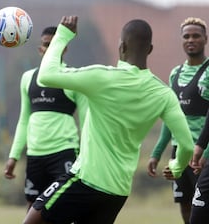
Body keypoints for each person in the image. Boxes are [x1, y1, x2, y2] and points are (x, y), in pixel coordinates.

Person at [22, 16, 194, 224]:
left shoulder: (102, 77)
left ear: (121, 47)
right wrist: (176, 167)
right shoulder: (164, 94)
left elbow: (46, 76)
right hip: (117, 192)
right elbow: (186, 145)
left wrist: (63, 35)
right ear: (150, 49)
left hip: (84, 181)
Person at [4, 26, 87, 210]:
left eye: (55, 45)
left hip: (64, 151)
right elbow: (24, 120)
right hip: (35, 155)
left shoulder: (73, 77)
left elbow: (86, 122)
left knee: (64, 205)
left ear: (64, 48)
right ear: (40, 49)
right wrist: (14, 156)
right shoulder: (27, 78)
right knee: (33, 206)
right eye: (46, 45)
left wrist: (85, 156)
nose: (50, 49)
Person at [147, 17, 209, 224]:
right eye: (186, 36)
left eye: (196, 36)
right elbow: (170, 118)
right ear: (181, 41)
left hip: (203, 154)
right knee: (184, 205)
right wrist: (156, 153)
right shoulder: (175, 73)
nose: (191, 40)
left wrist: (205, 154)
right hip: (179, 153)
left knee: (202, 206)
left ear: (205, 39)